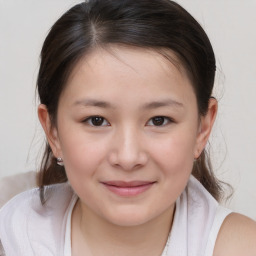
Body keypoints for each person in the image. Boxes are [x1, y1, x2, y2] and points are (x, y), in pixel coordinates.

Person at [0, 0, 256, 255]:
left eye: (159, 120)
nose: (128, 157)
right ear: (52, 130)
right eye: (96, 120)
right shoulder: (14, 238)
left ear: (203, 127)